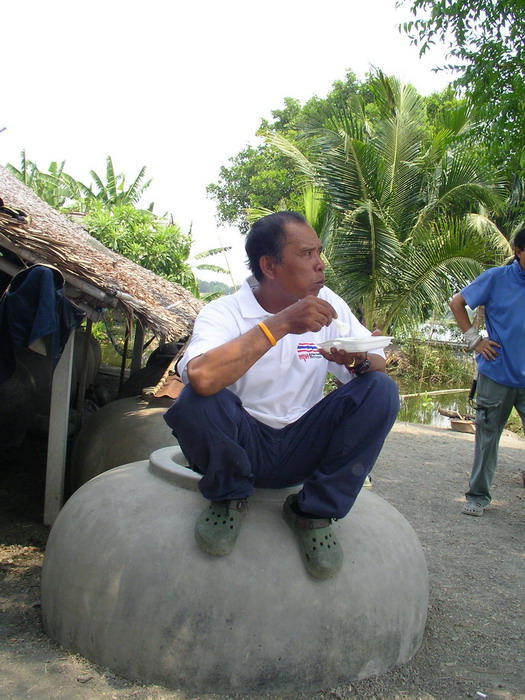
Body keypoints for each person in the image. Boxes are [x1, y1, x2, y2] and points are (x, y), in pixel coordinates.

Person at [164, 211, 399, 579]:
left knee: (381, 390)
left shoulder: (328, 304)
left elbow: (378, 367)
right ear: (269, 266)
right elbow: (202, 376)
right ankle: (228, 497)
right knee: (197, 397)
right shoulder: (224, 312)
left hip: (301, 444)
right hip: (241, 445)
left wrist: (358, 363)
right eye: (307, 254)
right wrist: (283, 324)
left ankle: (313, 513)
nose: (321, 265)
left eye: (319, 252)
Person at [449, 228, 525, 517]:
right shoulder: (496, 278)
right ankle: (478, 497)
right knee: (488, 438)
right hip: (497, 374)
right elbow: (456, 303)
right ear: (518, 251)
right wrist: (474, 339)